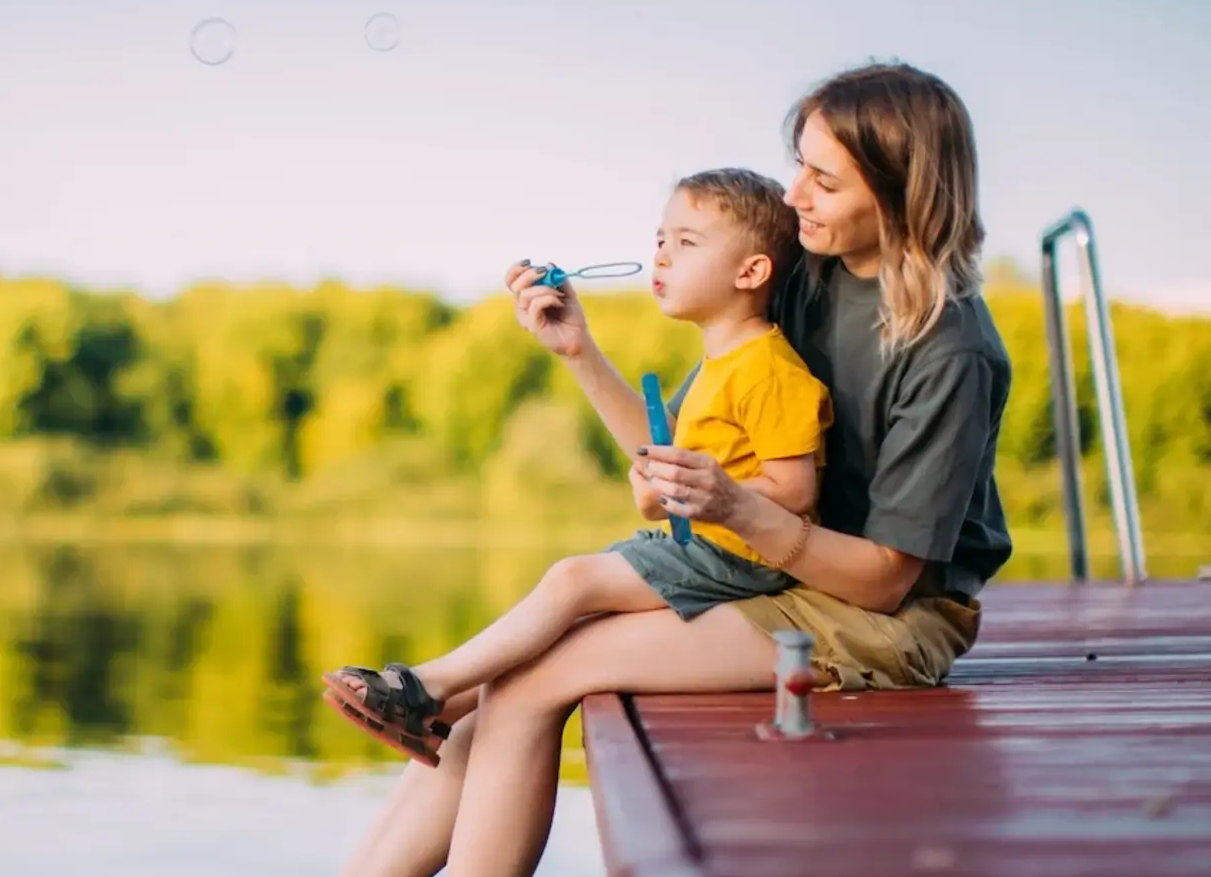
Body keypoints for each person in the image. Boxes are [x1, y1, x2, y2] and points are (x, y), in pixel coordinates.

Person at [139, 62, 1014, 877]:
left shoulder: (949, 346)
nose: (794, 198)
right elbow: (676, 467)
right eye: (799, 168)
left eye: (824, 179)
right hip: (764, 564)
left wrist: (741, 512)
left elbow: (883, 578)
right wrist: (581, 354)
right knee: (506, 680)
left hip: (879, 617)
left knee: (529, 684)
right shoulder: (809, 279)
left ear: (905, 184)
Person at [320, 168, 831, 769]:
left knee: (572, 582)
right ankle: (440, 712)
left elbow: (795, 491)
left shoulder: (770, 371)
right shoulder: (720, 365)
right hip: (712, 552)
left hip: (743, 562)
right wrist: (665, 487)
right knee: (574, 606)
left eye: (687, 243)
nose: (662, 255)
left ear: (751, 272)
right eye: (661, 239)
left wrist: (700, 493)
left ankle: (424, 687)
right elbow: (680, 475)